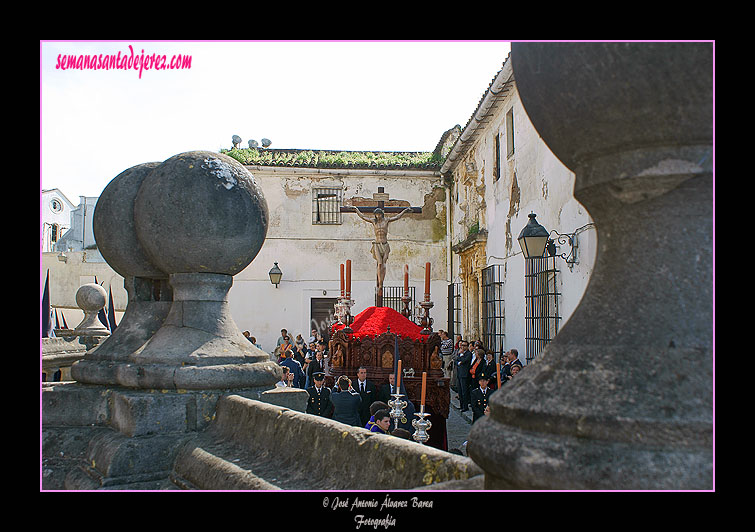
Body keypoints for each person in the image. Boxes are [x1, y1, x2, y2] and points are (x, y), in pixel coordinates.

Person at [455, 340, 473, 412]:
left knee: (464, 391)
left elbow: (465, 361)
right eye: (462, 345)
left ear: (467, 346)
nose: (462, 347)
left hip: (465, 374)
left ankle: (465, 406)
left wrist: (461, 357)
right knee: (460, 391)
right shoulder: (460, 353)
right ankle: (461, 405)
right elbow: (456, 360)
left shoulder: (468, 354)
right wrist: (459, 362)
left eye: (464, 345)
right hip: (459, 373)